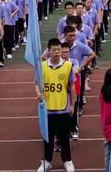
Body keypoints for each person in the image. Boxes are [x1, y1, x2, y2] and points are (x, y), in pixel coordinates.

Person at [36, 38, 76, 172]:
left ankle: (67, 161)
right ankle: (47, 161)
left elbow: (71, 85)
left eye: (59, 49)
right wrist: (38, 94)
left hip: (63, 107)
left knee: (64, 137)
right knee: (47, 138)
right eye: (54, 50)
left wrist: (72, 105)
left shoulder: (67, 66)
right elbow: (37, 83)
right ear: (49, 51)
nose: (57, 52)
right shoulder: (42, 66)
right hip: (47, 109)